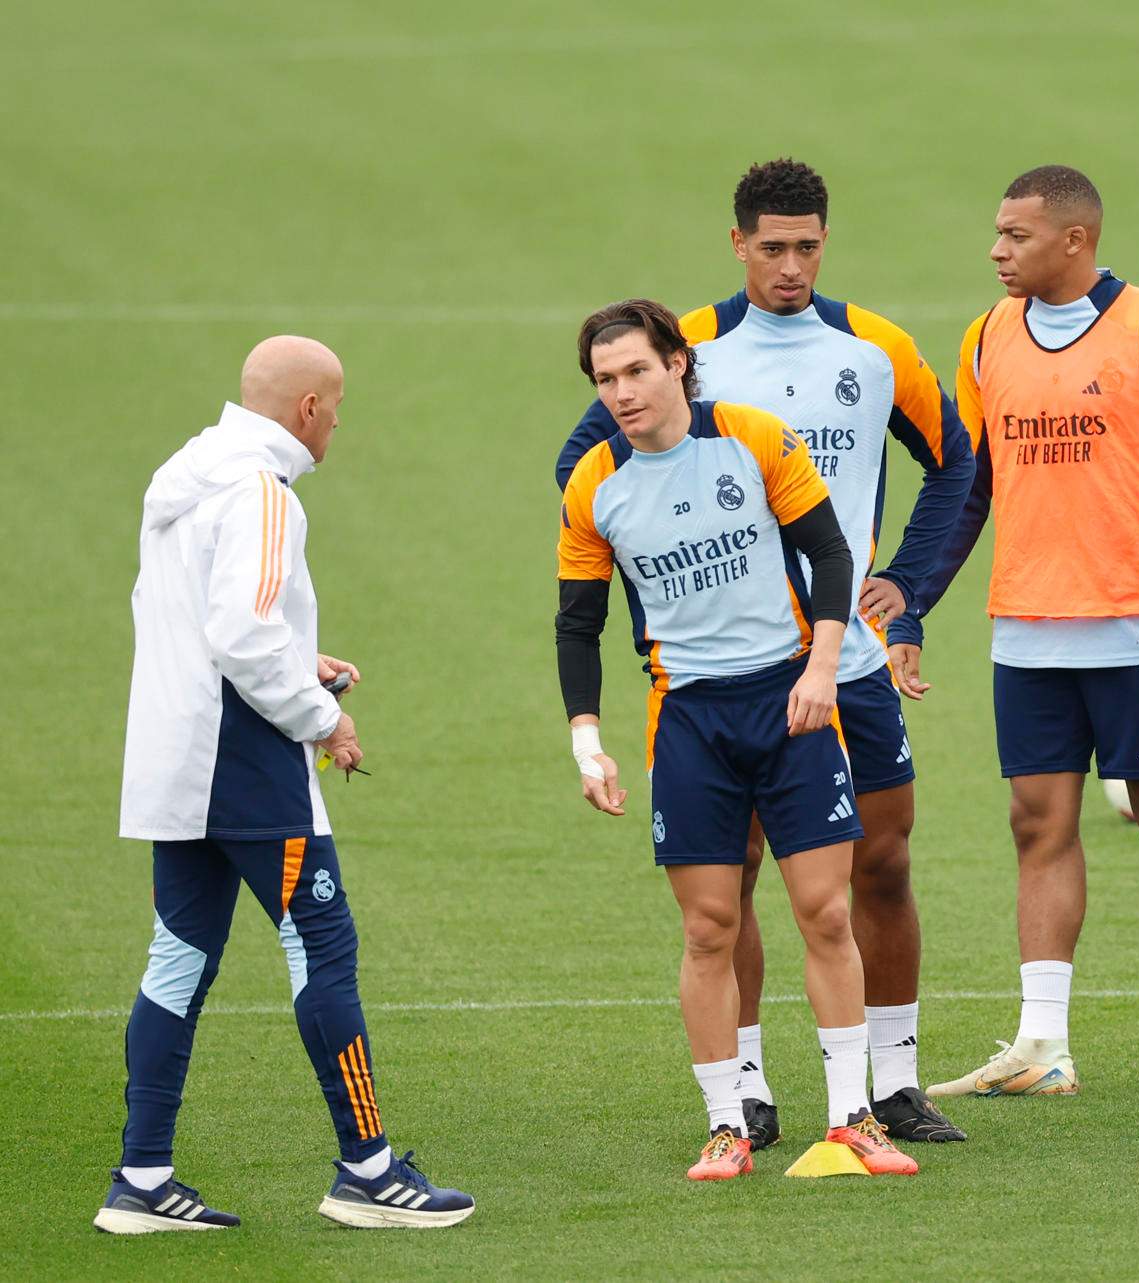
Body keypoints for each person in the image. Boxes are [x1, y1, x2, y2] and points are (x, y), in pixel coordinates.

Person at [555, 159, 974, 1146]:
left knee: (881, 862)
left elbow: (958, 459)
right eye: (772, 246)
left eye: (808, 247)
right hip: (722, 677)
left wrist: (908, 583)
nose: (790, 265)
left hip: (844, 661)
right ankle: (745, 1089)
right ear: (738, 242)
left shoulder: (875, 347)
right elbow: (588, 470)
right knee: (729, 882)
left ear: (825, 242)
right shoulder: (683, 348)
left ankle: (895, 1077)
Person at [101, 336, 474, 1232]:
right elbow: (239, 633)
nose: (338, 421)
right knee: (323, 945)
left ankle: (143, 1178)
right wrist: (321, 716)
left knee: (179, 959)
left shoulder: (186, 476)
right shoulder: (264, 493)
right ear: (308, 408)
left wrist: (300, 666)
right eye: (336, 407)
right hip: (247, 761)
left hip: (178, 758)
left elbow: (195, 620)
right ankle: (370, 1171)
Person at [894, 165, 1139, 1097]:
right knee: (1036, 823)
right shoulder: (984, 338)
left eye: (1016, 235)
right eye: (999, 234)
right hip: (1027, 630)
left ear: (1074, 241)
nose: (997, 250)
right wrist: (915, 601)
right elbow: (970, 487)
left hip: (1138, 631)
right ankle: (1043, 1045)